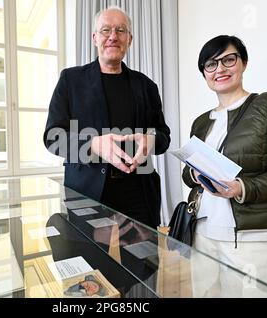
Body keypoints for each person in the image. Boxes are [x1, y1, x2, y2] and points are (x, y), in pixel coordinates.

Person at [183, 35, 267, 297]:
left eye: (228, 60)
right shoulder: (201, 122)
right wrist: (193, 172)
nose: (220, 69)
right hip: (202, 231)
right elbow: (189, 174)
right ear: (204, 73)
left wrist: (243, 188)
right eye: (211, 64)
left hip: (254, 235)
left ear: (243, 63)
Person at [43, 6, 171, 228]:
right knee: (90, 261)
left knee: (142, 262)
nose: (113, 36)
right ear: (94, 38)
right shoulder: (70, 80)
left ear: (129, 39)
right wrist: (92, 145)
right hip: (87, 192)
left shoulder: (147, 86)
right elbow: (53, 138)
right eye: (106, 30)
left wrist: (151, 139)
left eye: (121, 30)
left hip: (138, 193)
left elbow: (163, 136)